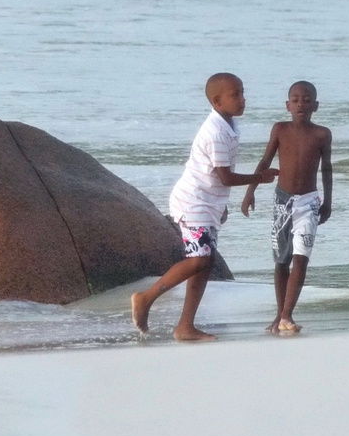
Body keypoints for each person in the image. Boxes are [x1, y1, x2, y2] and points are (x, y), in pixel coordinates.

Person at [131, 72, 275, 342]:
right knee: (200, 259)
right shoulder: (216, 132)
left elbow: (216, 176)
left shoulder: (228, 125)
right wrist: (260, 179)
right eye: (236, 95)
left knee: (204, 264)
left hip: (207, 202)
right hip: (192, 202)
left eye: (243, 93)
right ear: (217, 101)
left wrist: (221, 203)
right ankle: (145, 298)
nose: (243, 100)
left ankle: (185, 327)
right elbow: (225, 177)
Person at [241, 80, 333, 335]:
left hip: (309, 203)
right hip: (282, 202)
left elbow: (326, 168)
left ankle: (287, 315)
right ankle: (279, 315)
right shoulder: (280, 129)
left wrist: (328, 202)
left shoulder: (322, 134)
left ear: (316, 105)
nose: (300, 104)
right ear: (287, 105)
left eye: (306, 100)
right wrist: (250, 192)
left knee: (300, 258)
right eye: (295, 99)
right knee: (281, 261)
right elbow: (266, 160)